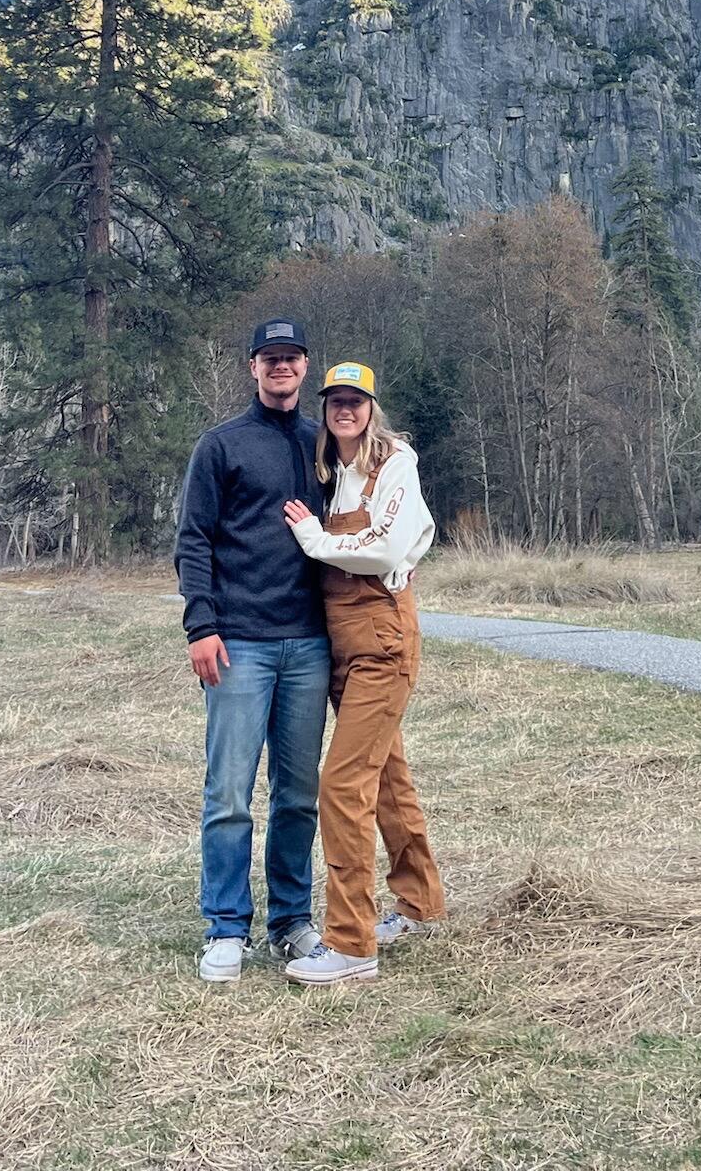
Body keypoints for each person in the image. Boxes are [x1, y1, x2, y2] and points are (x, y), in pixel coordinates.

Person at [174, 318, 332, 984]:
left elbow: (357, 523)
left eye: (291, 358)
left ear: (304, 366)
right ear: (253, 368)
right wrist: (200, 626)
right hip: (238, 644)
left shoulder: (325, 445)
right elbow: (193, 540)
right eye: (270, 359)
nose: (281, 368)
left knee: (297, 794)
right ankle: (225, 928)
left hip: (309, 645)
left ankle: (292, 921)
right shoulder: (221, 446)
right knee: (230, 793)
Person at [281, 359, 446, 985]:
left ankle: (351, 943)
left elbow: (384, 548)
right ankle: (421, 904)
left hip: (381, 641)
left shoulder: (392, 464)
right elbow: (414, 536)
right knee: (388, 780)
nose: (345, 410)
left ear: (372, 408)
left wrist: (317, 540)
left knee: (342, 786)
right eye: (334, 401)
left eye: (356, 400)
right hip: (342, 643)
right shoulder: (337, 473)